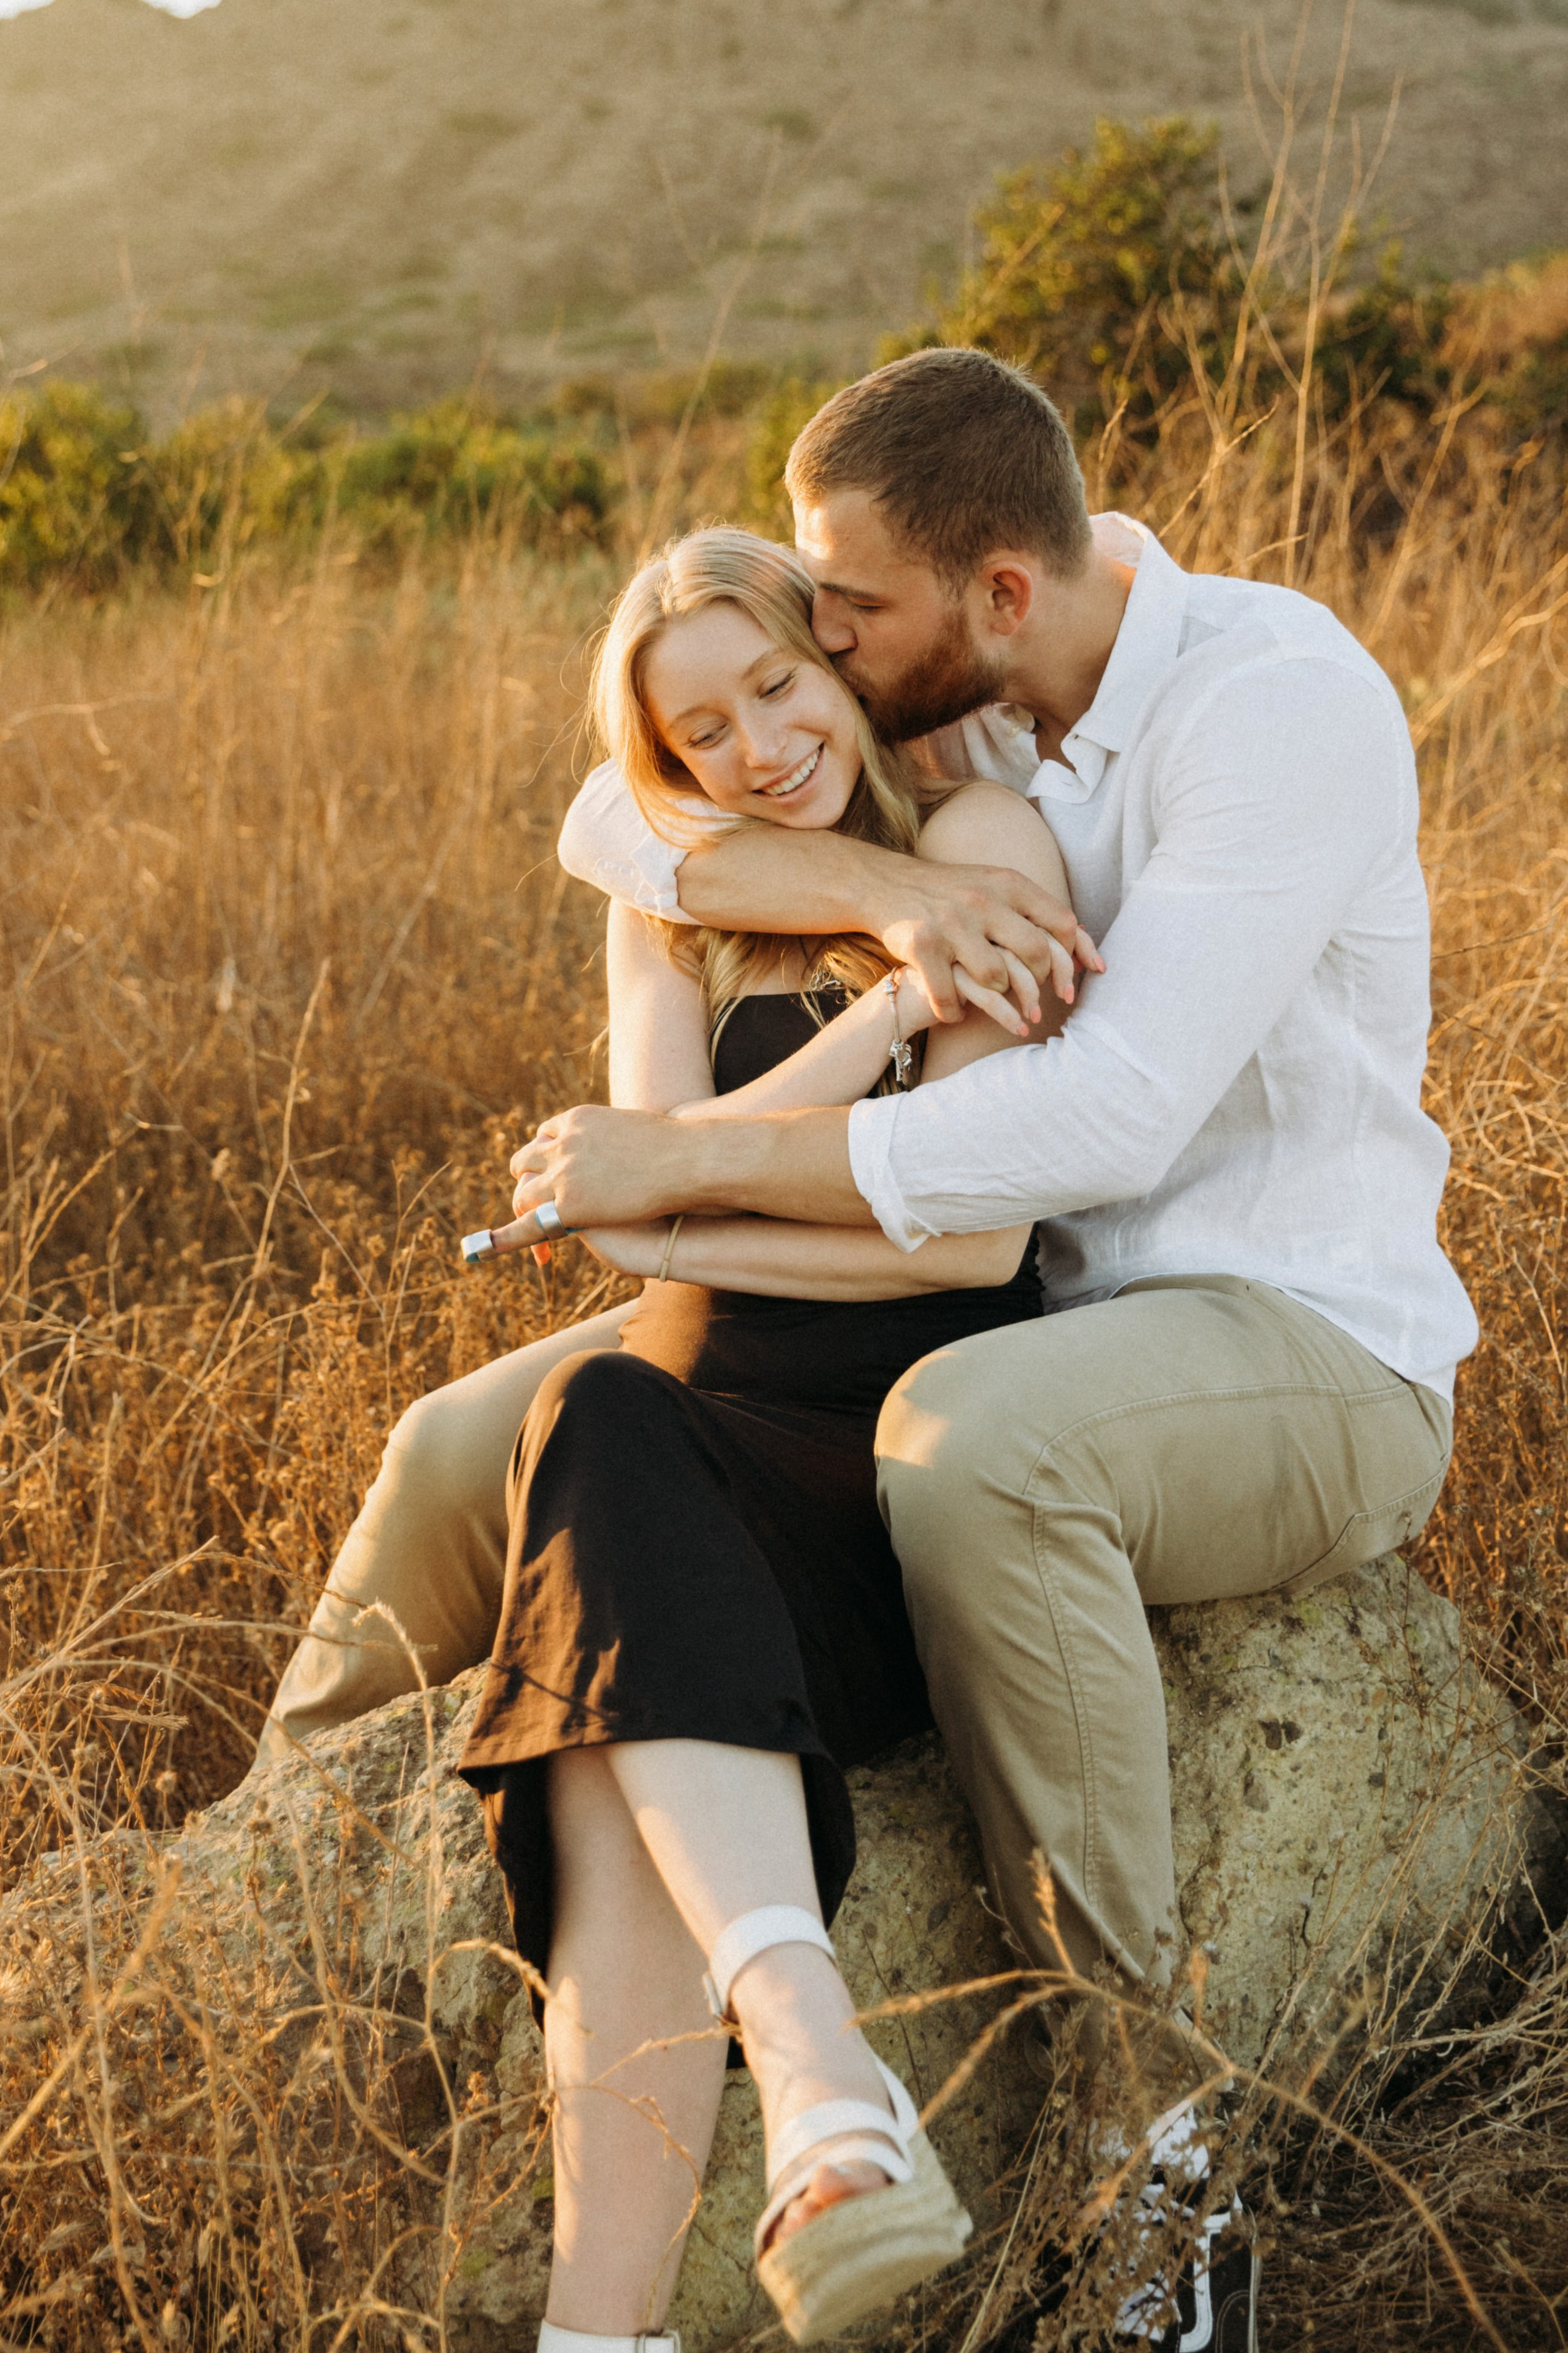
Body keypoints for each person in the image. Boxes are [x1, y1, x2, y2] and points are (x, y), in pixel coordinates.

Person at [267, 345, 1474, 2351]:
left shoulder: (1259, 710)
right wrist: (867, 892)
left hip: (1276, 1331)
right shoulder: (980, 713)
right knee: (475, 1429)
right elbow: (614, 812)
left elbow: (1086, 1134)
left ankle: (1159, 2156)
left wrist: (668, 1154)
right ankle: (261, 1882)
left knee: (967, 1437)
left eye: (839, 616)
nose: (815, 643)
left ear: (989, 598)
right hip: (980, 1305)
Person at [447, 526, 1068, 2345]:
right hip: (679, 1428)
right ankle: (775, 2119)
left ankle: (788, 2091)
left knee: (597, 1529)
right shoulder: (672, 898)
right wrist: (882, 1011)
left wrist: (678, 1196)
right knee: (606, 1445)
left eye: (776, 684)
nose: (754, 744)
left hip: (871, 1454)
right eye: (699, 728)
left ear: (837, 655)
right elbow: (627, 1217)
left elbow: (969, 1235)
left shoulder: (976, 851)